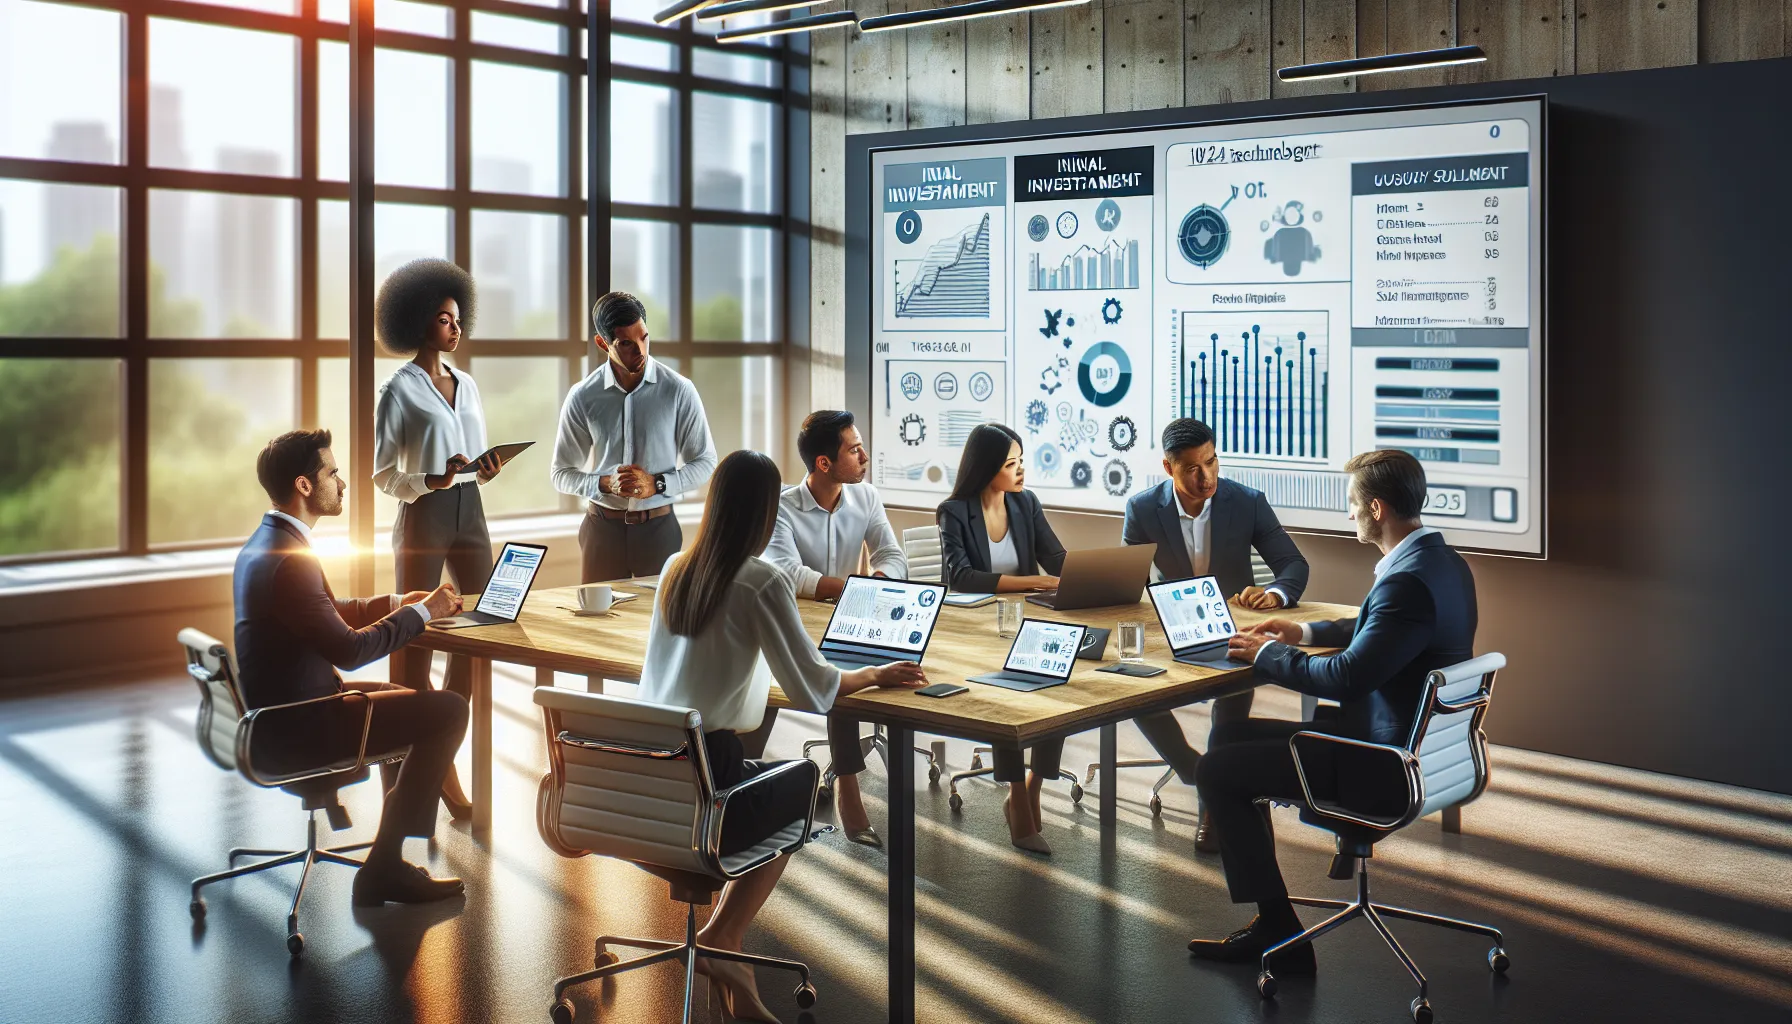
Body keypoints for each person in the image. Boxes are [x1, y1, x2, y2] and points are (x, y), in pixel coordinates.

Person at [636, 449, 927, 1022]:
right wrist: (877, 673)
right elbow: (816, 688)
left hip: (649, 775)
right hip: (708, 780)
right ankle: (723, 936)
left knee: (769, 780)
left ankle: (732, 969)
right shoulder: (761, 579)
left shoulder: (676, 567)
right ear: (767, 513)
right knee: (799, 790)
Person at [1187, 449, 1477, 974]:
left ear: (1377, 509)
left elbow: (1347, 676)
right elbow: (1380, 630)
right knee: (1228, 738)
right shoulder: (1442, 565)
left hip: (1379, 765)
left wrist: (1268, 656)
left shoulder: (1406, 581)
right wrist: (1300, 631)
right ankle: (1272, 920)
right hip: (1415, 749)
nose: (1349, 513)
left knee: (1216, 770)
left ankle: (1280, 933)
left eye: (1353, 504)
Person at [233, 429, 470, 906]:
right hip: (302, 728)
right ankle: (384, 867)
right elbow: (350, 650)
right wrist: (424, 613)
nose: (342, 484)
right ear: (304, 485)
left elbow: (327, 611)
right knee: (448, 710)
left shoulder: (269, 542)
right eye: (332, 473)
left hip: (281, 716)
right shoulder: (290, 559)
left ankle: (390, 853)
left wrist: (397, 602)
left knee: (406, 699)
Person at [1121, 418, 1309, 852]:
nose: (1206, 476)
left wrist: (1275, 594)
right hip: (1170, 631)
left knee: (1230, 711)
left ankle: (1212, 810)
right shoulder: (1143, 508)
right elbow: (1130, 580)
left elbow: (1293, 564)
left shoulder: (1246, 502)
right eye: (1192, 468)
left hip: (1232, 633)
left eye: (1211, 461)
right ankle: (1200, 773)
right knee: (1135, 697)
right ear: (1168, 468)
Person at [371, 258, 501, 821]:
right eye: (445, 319)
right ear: (418, 321)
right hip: (423, 513)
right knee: (413, 643)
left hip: (471, 510)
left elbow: (474, 453)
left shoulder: (467, 384)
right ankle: (402, 783)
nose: (455, 328)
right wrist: (432, 480)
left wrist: (484, 469)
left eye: (458, 319)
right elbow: (382, 474)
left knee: (482, 625)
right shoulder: (397, 390)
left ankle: (440, 758)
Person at [762, 409, 907, 848]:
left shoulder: (866, 497)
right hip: (790, 623)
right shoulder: (783, 507)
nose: (864, 456)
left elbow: (892, 556)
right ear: (823, 463)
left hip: (849, 621)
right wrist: (854, 590)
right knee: (828, 666)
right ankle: (843, 787)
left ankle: (846, 784)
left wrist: (876, 583)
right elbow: (788, 573)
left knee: (846, 660)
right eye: (854, 449)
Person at [936, 422, 1065, 854]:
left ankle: (1030, 787)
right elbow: (961, 576)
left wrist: (1088, 574)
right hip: (975, 630)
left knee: (1059, 692)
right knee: (1005, 702)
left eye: (1021, 461)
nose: (1021, 470)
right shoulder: (954, 511)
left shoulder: (1026, 503)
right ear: (987, 467)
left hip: (1026, 624)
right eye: (1011, 464)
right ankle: (1017, 797)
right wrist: (1034, 581)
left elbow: (1055, 558)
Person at [552, 290, 717, 584]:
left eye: (644, 337)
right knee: (597, 614)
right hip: (601, 531)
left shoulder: (678, 390)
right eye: (626, 343)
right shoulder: (583, 395)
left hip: (658, 531)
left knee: (660, 613)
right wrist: (605, 483)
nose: (640, 351)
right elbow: (561, 474)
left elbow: (705, 461)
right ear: (602, 343)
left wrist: (657, 484)